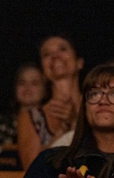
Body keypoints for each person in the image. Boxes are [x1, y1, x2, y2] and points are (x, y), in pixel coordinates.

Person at [16, 34, 84, 170]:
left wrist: (75, 122)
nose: (55, 56)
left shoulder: (98, 105)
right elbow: (30, 169)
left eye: (62, 49)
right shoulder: (32, 117)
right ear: (43, 70)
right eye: (47, 54)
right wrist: (60, 134)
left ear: (79, 62)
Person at [0, 62, 47, 156]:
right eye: (22, 83)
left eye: (34, 83)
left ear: (44, 89)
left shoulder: (51, 124)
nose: (27, 88)